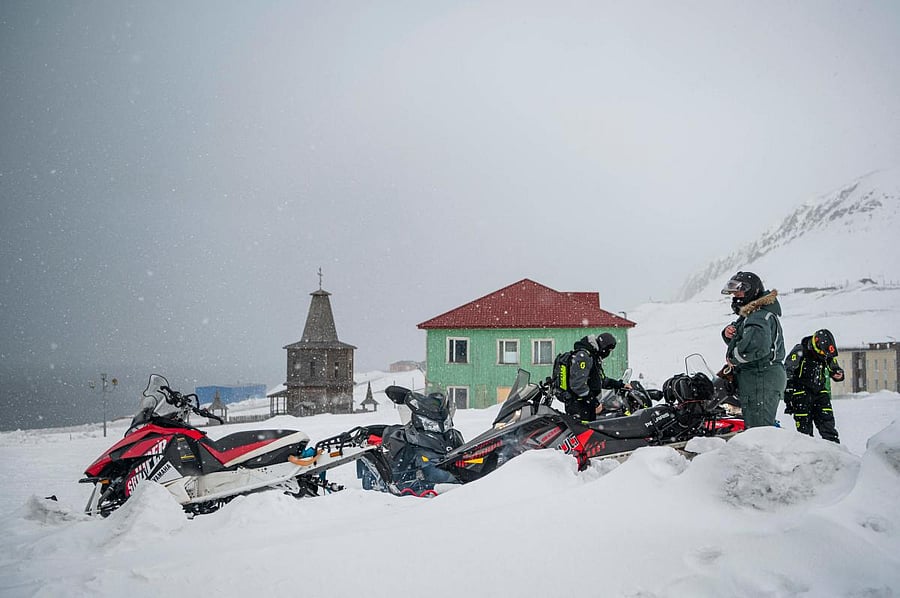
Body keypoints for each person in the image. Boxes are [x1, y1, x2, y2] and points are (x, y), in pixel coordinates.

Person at [720, 271, 786, 428]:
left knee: (759, 431)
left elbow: (755, 347)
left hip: (760, 377)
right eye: (733, 293)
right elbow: (743, 335)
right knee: (753, 427)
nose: (735, 296)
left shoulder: (758, 316)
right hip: (757, 377)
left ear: (752, 291)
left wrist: (733, 358)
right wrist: (728, 333)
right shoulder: (751, 315)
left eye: (739, 292)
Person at [553, 333, 631, 422]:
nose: (608, 353)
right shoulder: (584, 357)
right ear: (603, 346)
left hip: (585, 404)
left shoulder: (593, 356)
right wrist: (594, 403)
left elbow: (600, 380)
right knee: (584, 433)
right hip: (580, 405)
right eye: (608, 350)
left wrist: (620, 385)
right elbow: (578, 385)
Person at [783, 329, 844, 443]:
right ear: (816, 344)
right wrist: (789, 393)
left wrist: (838, 374)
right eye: (821, 353)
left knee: (828, 426)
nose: (823, 356)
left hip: (820, 392)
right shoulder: (800, 350)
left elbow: (834, 368)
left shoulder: (826, 354)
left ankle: (836, 454)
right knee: (804, 433)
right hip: (801, 393)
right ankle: (807, 456)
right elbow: (787, 371)